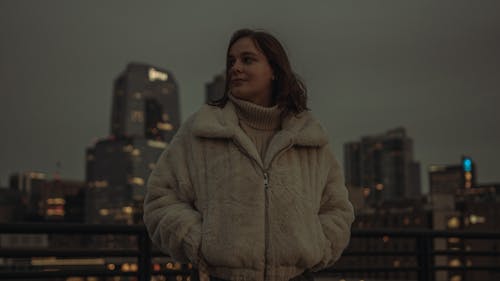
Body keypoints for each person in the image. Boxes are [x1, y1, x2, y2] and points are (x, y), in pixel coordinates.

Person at [143, 28, 355, 281]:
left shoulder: (308, 137)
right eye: (231, 61)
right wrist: (198, 243)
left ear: (274, 70)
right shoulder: (201, 130)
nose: (235, 68)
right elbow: (160, 199)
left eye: (247, 59)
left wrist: (319, 246)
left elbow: (337, 207)